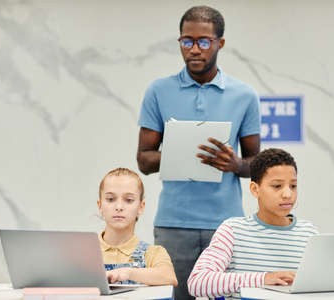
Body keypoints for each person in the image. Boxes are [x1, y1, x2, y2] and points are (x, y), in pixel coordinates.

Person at [136, 5, 261, 299]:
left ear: (220, 43)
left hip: (227, 226)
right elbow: (144, 159)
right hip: (172, 225)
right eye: (186, 41)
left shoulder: (244, 95)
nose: (194, 49)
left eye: (203, 41)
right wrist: (182, 152)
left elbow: (257, 165)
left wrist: (235, 164)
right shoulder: (158, 91)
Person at [187, 148, 319, 299]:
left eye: (293, 186)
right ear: (255, 190)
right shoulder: (233, 230)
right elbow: (197, 282)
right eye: (277, 186)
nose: (288, 194)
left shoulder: (309, 233)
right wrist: (263, 279)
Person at [97, 167, 177, 286]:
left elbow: (169, 277)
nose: (119, 206)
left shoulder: (153, 253)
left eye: (128, 200)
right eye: (110, 199)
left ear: (141, 207)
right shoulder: (83, 252)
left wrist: (129, 273)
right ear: (100, 206)